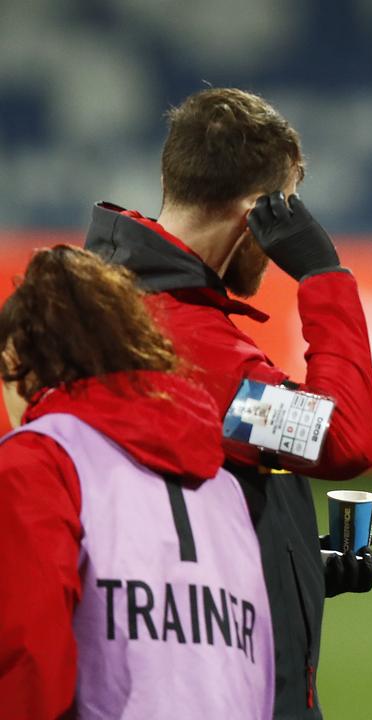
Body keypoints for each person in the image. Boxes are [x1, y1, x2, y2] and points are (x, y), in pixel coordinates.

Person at [85, 87, 372, 718]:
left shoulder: (116, 307)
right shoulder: (195, 347)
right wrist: (325, 276)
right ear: (260, 214)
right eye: (290, 208)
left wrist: (292, 558)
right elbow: (342, 438)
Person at [0, 246, 273, 718]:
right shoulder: (223, 484)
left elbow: (28, 659)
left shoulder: (37, 460)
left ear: (19, 361)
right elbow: (260, 670)